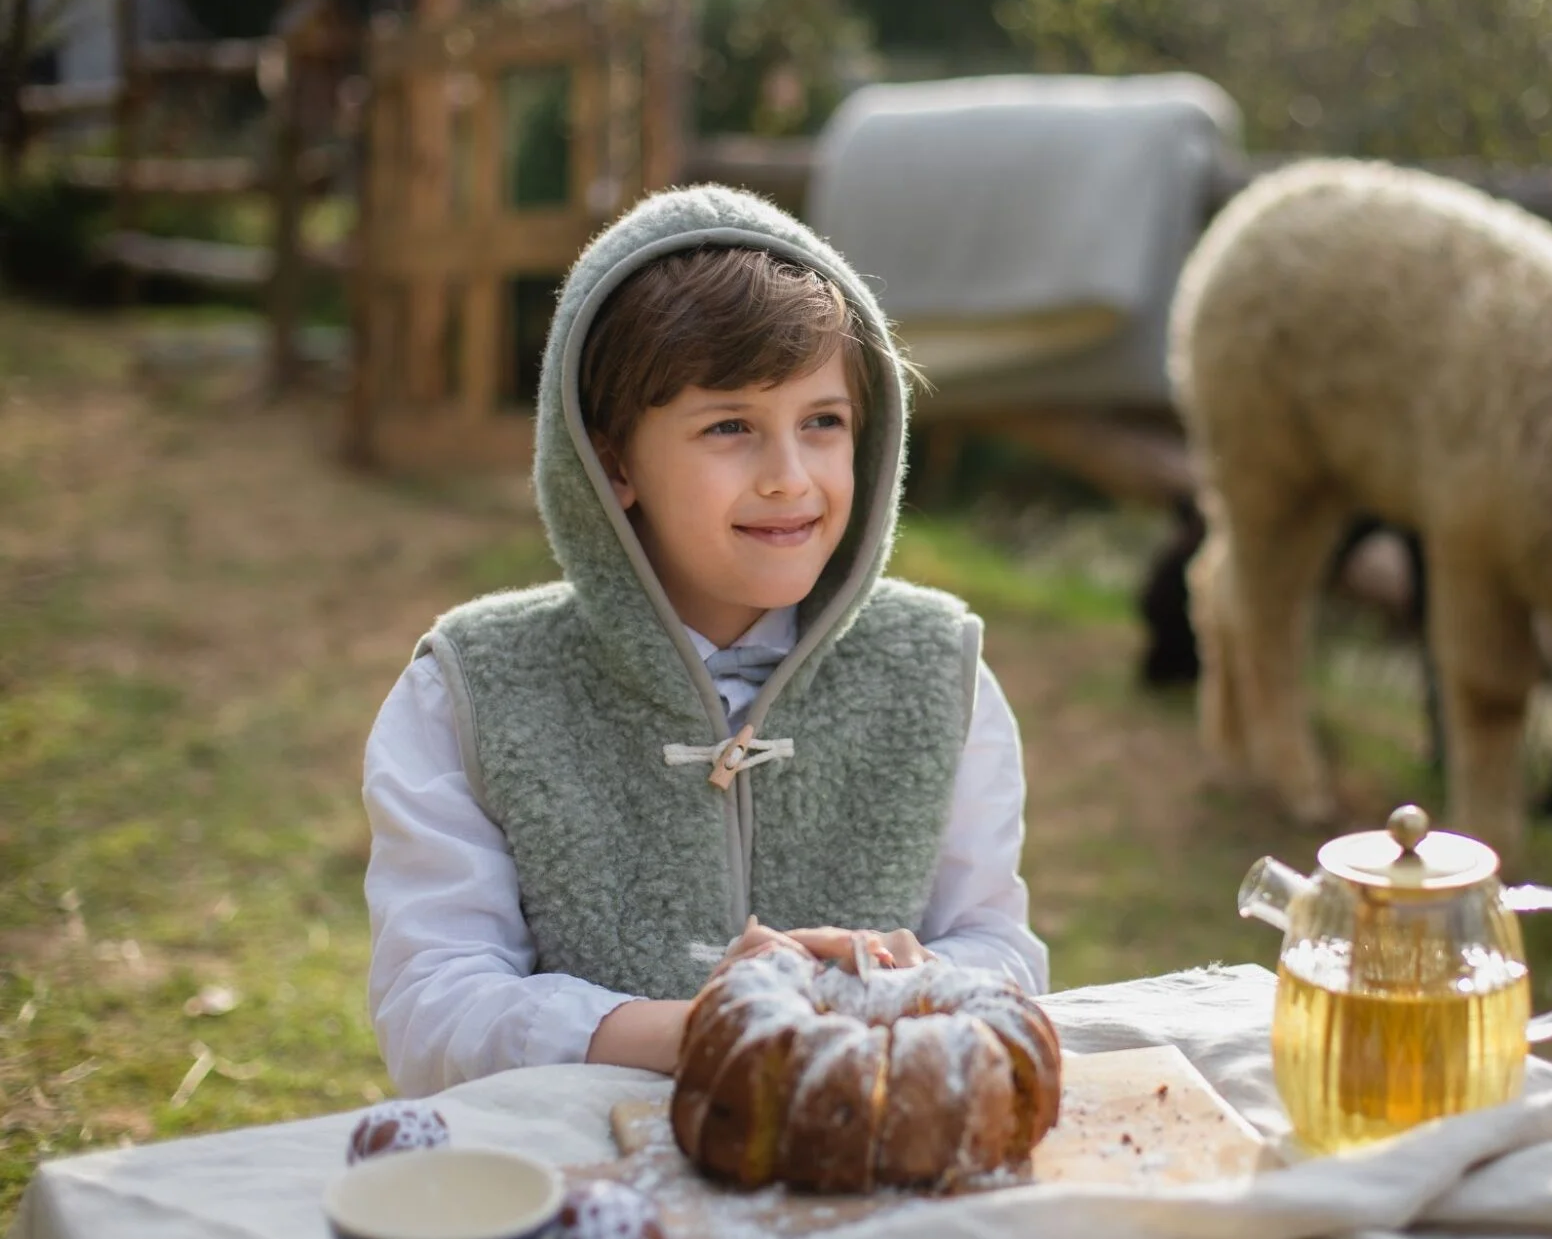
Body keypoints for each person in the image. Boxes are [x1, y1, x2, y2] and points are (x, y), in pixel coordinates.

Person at [361, 185, 1048, 1097]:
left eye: (823, 422)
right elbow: (433, 1007)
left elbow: (1000, 953)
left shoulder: (940, 673)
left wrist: (887, 988)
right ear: (612, 462)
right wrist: (704, 1031)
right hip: (575, 1188)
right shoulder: (469, 693)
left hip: (875, 1170)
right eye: (730, 427)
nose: (789, 478)